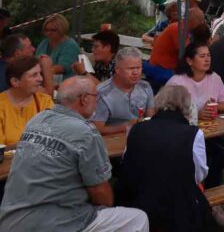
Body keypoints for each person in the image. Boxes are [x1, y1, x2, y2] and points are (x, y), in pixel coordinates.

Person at [0, 76, 149, 231]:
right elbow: (100, 192)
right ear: (84, 99)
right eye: (96, 97)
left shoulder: (36, 120)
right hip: (52, 224)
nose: (97, 102)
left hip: (10, 221)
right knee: (137, 218)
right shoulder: (85, 132)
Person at [117, 84, 218, 230]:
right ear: (187, 106)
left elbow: (127, 164)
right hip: (178, 206)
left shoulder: (137, 129)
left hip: (140, 200)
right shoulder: (193, 133)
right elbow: (199, 174)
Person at [167, 42, 224, 192]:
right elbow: (167, 113)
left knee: (217, 153)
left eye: (208, 56)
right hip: (185, 136)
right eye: (202, 56)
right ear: (189, 61)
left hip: (211, 132)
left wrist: (215, 107)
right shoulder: (177, 82)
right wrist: (197, 113)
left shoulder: (214, 78)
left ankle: (215, 191)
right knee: (218, 152)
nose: (207, 59)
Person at [92, 48, 156, 135]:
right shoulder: (102, 93)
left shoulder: (145, 87)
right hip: (112, 140)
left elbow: (150, 119)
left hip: (140, 137)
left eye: (138, 68)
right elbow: (98, 129)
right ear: (117, 69)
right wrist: (128, 126)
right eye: (131, 68)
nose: (135, 72)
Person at [145, 5, 206, 89]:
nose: (202, 24)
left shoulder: (182, 29)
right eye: (201, 21)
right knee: (190, 81)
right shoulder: (178, 29)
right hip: (160, 70)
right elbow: (186, 53)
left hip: (163, 68)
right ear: (194, 21)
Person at [0, 57, 55, 144]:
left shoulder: (44, 101)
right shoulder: (1, 104)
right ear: (15, 81)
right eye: (34, 75)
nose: (40, 79)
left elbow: (53, 137)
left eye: (40, 73)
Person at [36, 13, 80, 84]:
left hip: (64, 84)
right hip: (44, 81)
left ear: (61, 29)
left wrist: (39, 72)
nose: (48, 33)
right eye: (46, 30)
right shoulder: (44, 43)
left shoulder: (70, 46)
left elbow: (61, 68)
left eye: (53, 30)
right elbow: (35, 61)